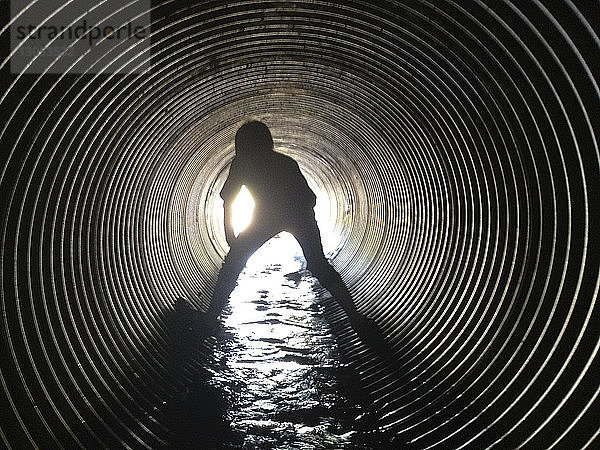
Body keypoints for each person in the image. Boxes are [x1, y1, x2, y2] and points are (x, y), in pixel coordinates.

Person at [198, 120, 383, 344]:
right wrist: (298, 217)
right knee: (318, 264)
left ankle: (209, 320)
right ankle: (356, 319)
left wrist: (232, 236)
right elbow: (310, 198)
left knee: (235, 261)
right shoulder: (281, 162)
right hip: (293, 215)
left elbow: (229, 199)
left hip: (271, 216)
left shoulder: (243, 163)